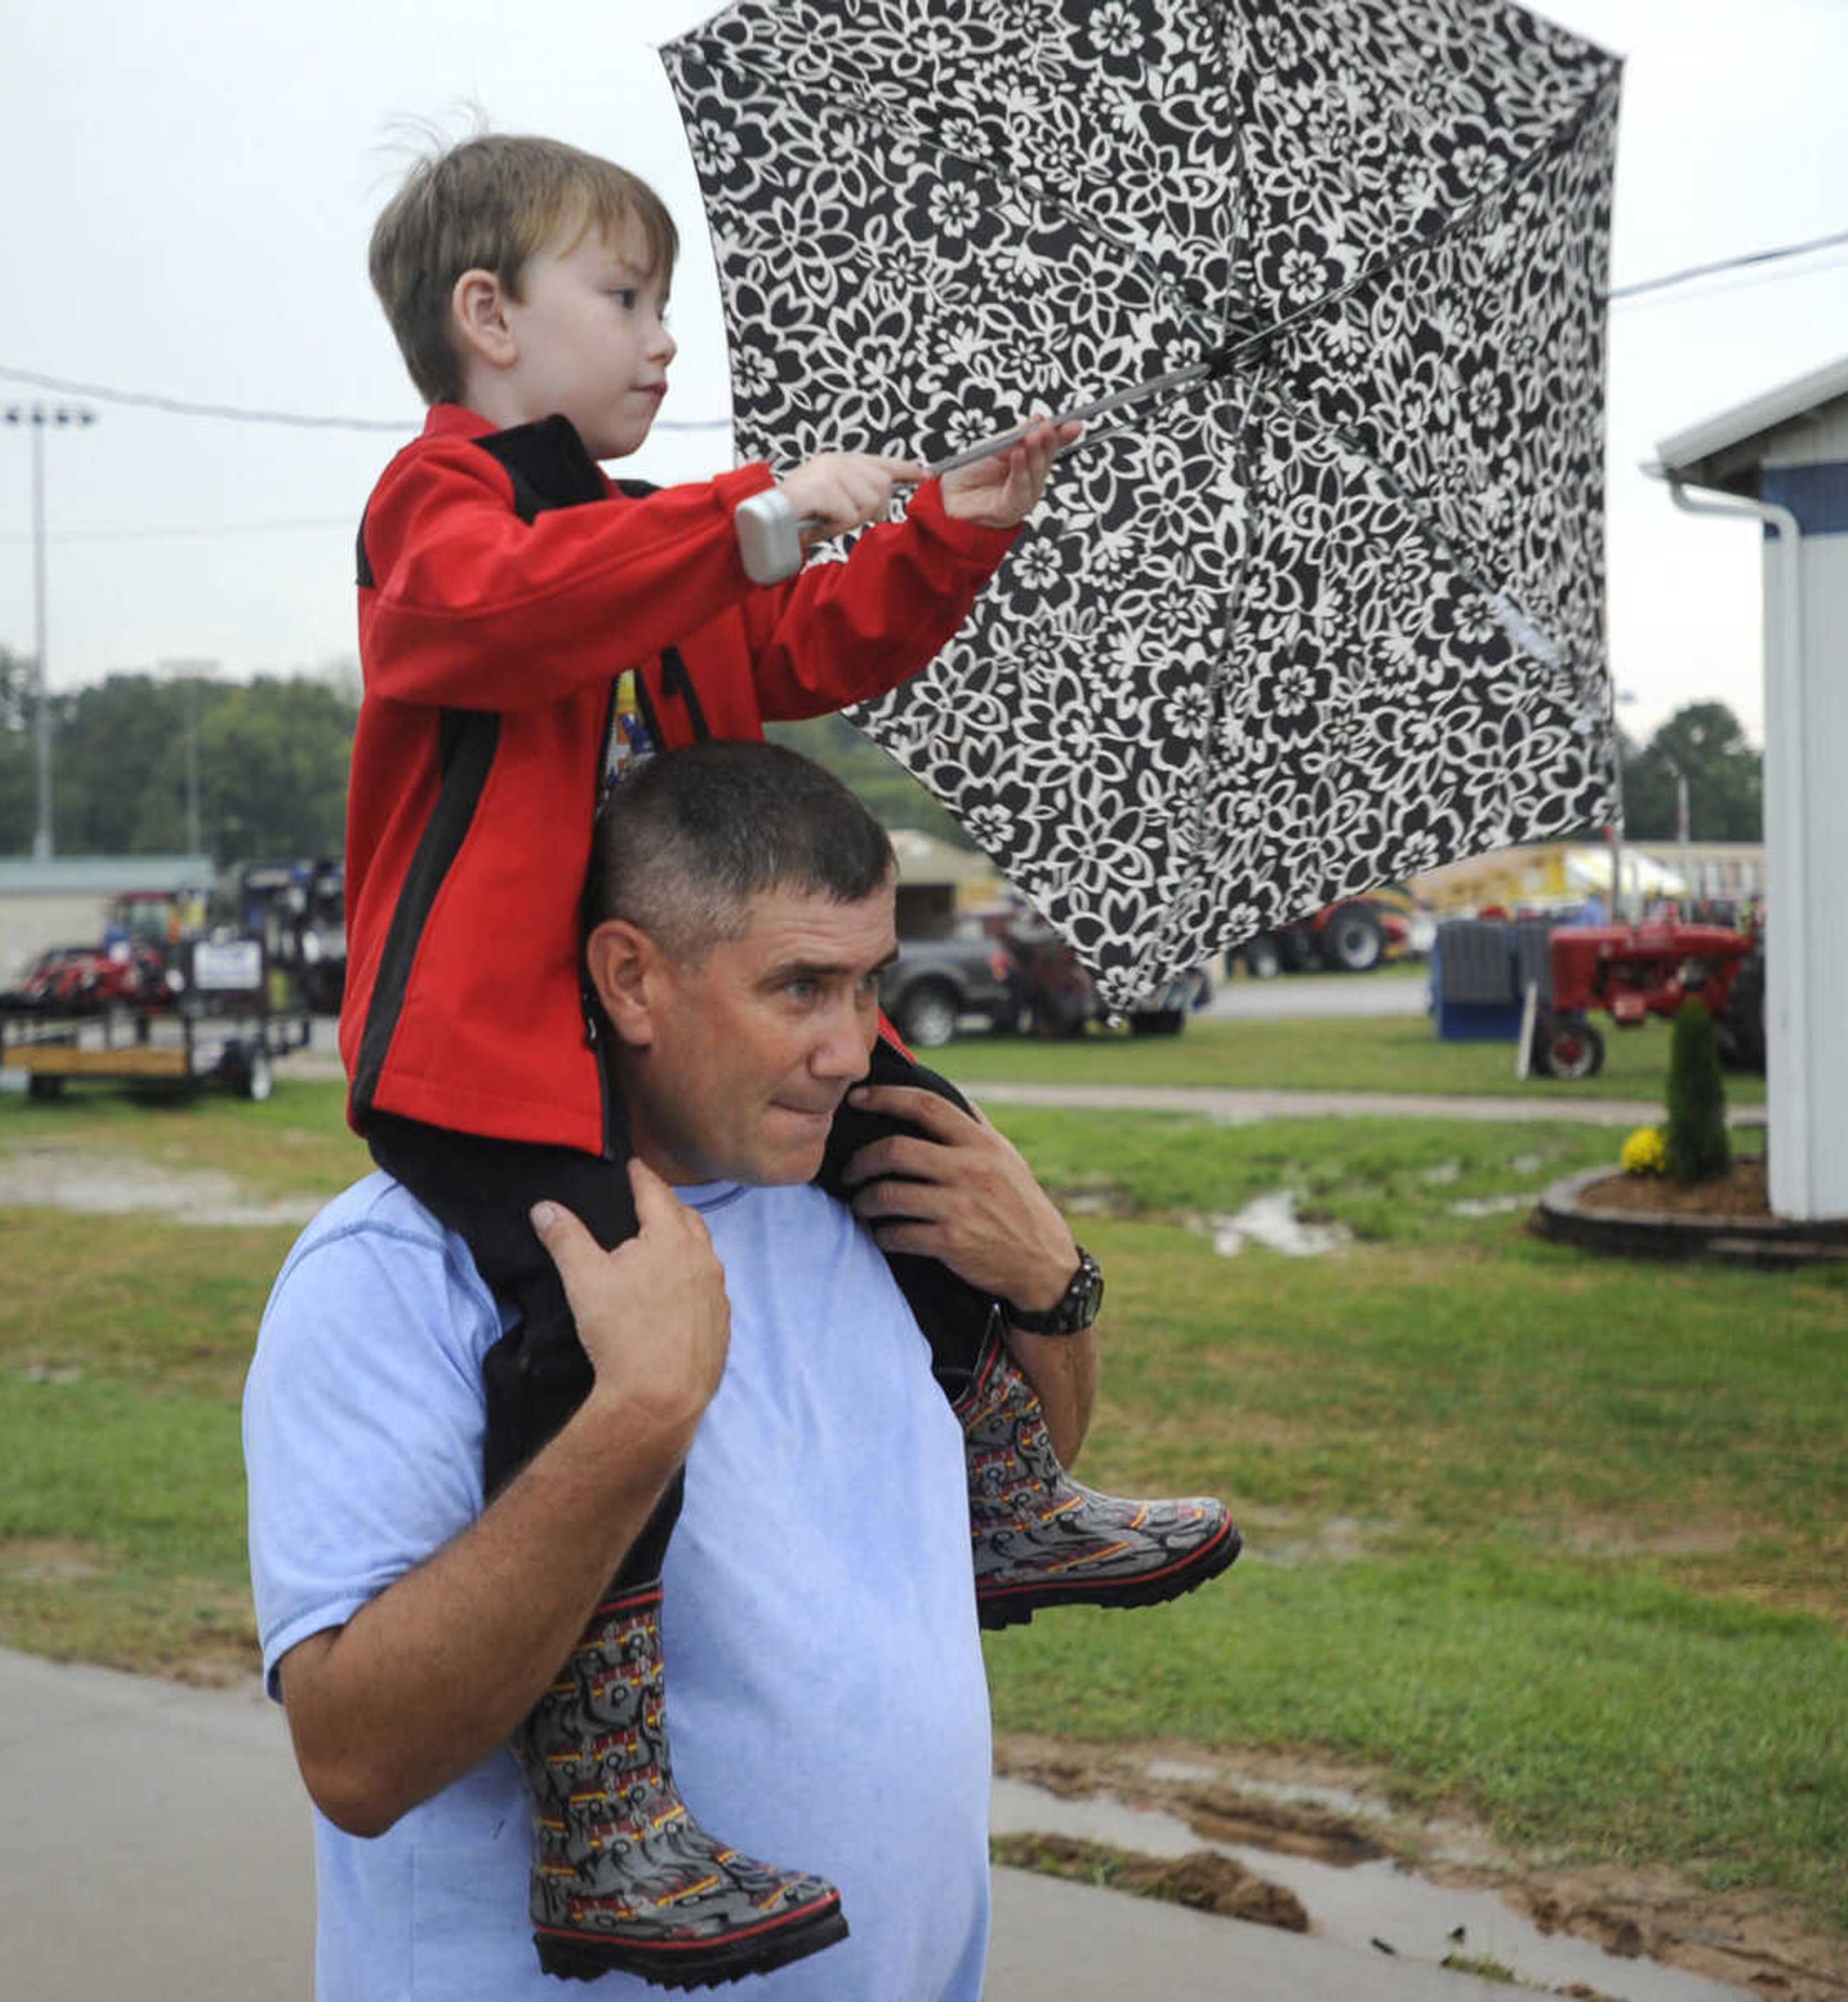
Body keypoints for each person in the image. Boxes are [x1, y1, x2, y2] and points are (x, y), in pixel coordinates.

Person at [332, 134, 1239, 1984]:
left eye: (669, 302)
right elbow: (484, 617)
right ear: (487, 321)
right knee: (575, 1329)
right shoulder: (446, 506)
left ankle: (1004, 1486)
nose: (666, 337)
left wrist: (942, 537)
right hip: (500, 1051)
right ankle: (605, 1814)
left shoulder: (639, 543)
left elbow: (808, 640)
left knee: (916, 1122)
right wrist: (739, 517)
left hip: (672, 1025)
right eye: (626, 298)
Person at [250, 744, 1171, 1997]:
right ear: (630, 977)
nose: (852, 1047)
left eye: (869, 984)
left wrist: (1051, 1286)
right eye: (800, 987)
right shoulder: (394, 1271)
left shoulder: (859, 1199)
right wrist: (634, 1418)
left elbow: (991, 1498)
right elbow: (355, 1758)